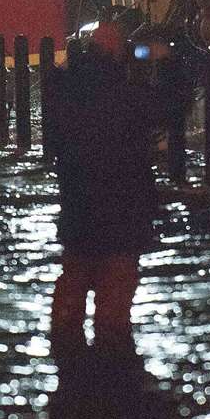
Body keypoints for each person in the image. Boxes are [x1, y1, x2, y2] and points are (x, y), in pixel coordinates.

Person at [46, 20, 162, 358]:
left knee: (70, 293)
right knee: (114, 309)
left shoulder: (65, 89)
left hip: (78, 208)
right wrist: (163, 63)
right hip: (122, 213)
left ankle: (67, 364)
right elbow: (169, 108)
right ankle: (114, 377)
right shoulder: (127, 95)